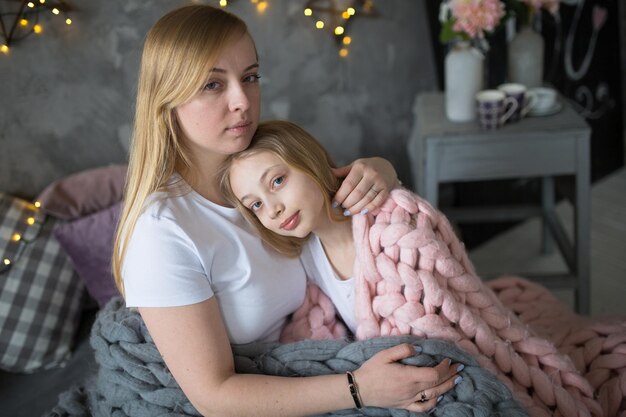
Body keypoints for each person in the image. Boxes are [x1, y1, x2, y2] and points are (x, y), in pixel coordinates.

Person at [112, 5, 460, 417]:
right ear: (166, 100)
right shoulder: (162, 233)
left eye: (251, 77)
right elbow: (213, 396)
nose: (242, 101)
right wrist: (358, 388)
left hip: (325, 347)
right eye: (212, 85)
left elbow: (331, 198)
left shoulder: (253, 165)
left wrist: (380, 170)